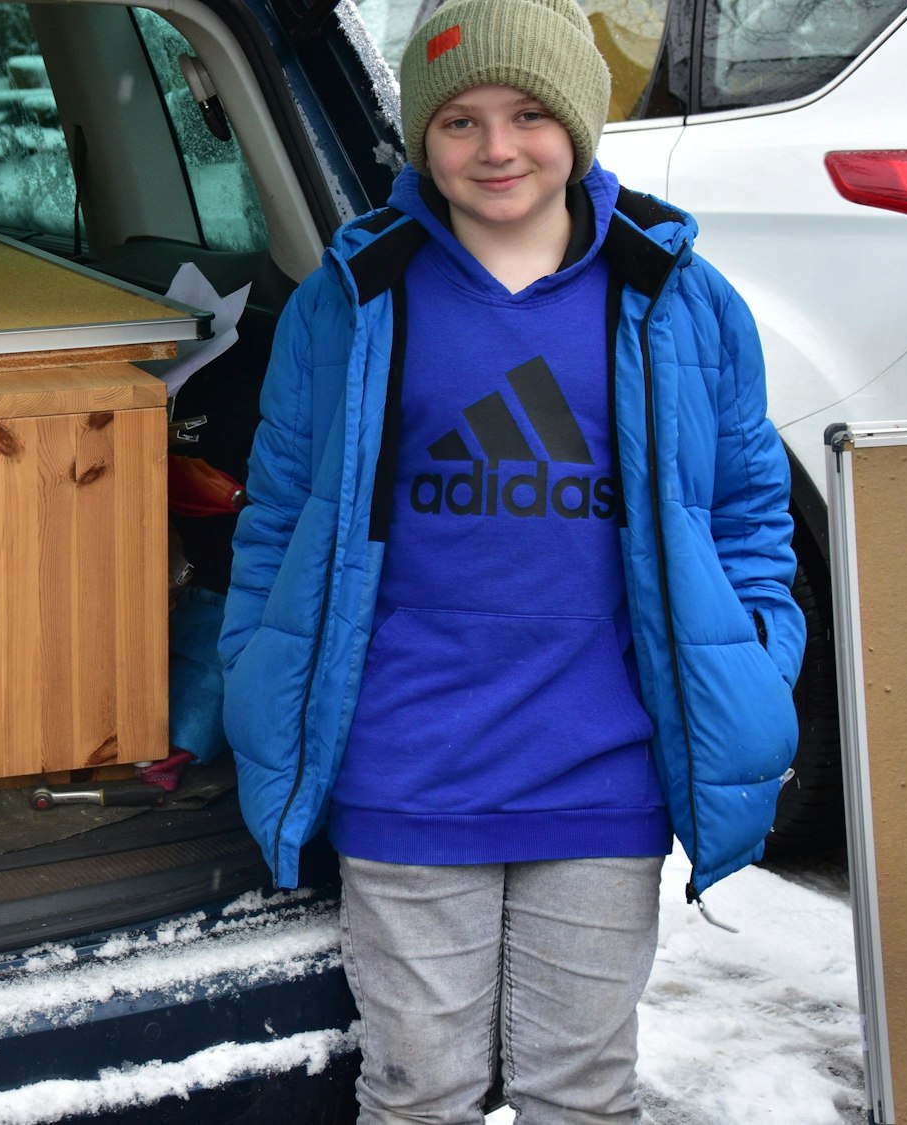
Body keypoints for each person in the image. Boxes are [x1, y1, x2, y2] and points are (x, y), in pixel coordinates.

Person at [217, 0, 803, 1119]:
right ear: (420, 136)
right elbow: (279, 514)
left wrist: (757, 661)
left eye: (529, 114)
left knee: (578, 1089)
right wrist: (254, 658)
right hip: (406, 767)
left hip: (602, 770)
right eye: (460, 121)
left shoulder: (674, 298)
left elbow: (744, 516)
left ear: (577, 125)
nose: (495, 149)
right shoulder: (355, 298)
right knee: (417, 1086)